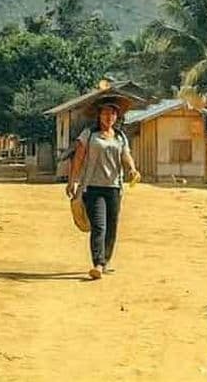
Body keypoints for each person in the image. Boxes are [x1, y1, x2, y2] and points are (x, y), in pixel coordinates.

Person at [66, 99, 140, 280]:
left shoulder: (120, 137)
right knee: (99, 226)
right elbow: (78, 158)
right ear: (99, 116)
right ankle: (97, 263)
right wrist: (73, 180)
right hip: (92, 187)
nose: (109, 117)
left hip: (114, 188)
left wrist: (132, 169)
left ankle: (105, 261)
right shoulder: (89, 135)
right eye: (105, 113)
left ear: (116, 117)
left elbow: (126, 155)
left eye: (112, 114)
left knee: (112, 228)